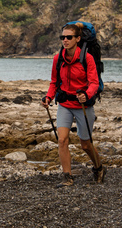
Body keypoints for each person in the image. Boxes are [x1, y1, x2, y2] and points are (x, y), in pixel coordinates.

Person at [41, 22, 106, 187]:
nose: (65, 40)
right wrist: (48, 97)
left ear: (78, 39)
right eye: (63, 37)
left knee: (85, 144)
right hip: (65, 104)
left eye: (69, 37)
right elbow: (54, 82)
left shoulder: (87, 58)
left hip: (83, 106)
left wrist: (87, 94)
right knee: (62, 140)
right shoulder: (58, 58)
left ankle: (99, 168)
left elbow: (94, 82)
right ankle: (67, 177)